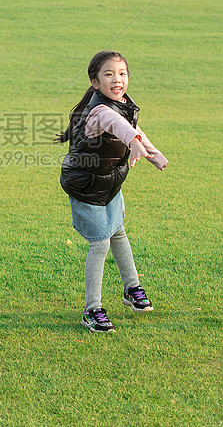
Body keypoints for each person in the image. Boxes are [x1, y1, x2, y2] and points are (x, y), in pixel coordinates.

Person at [56, 51, 169, 332]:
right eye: (109, 74)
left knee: (118, 231)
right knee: (100, 243)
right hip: (86, 187)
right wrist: (132, 142)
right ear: (95, 82)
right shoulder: (100, 111)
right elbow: (117, 126)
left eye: (122, 73)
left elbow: (133, 128)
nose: (117, 79)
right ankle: (91, 309)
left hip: (109, 184)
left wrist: (155, 155)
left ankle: (132, 289)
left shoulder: (123, 106)